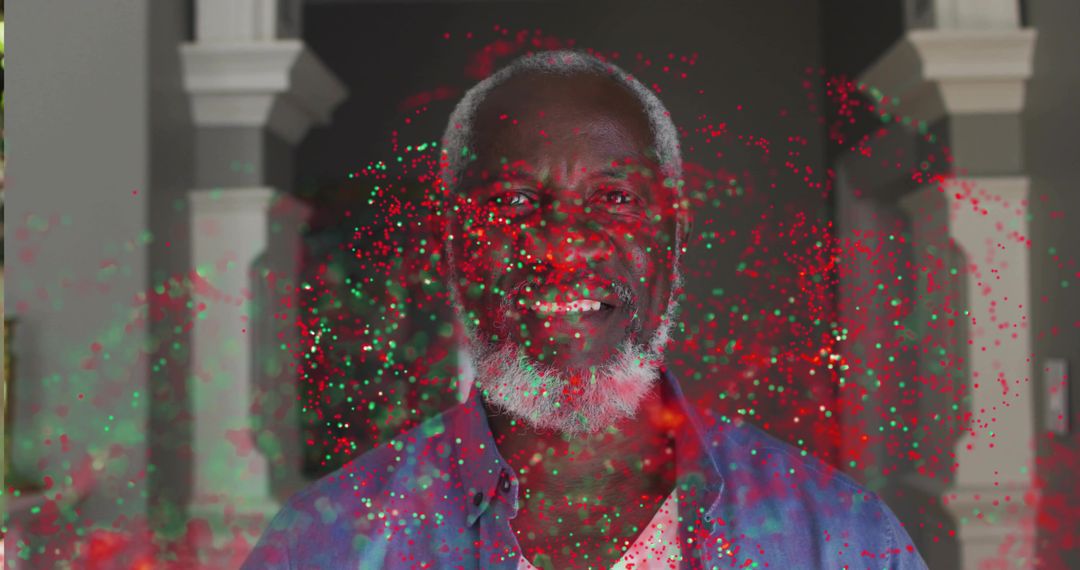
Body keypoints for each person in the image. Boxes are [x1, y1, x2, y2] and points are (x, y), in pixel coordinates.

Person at [242, 50, 928, 569]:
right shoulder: (325, 545)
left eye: (614, 198)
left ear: (674, 239)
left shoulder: (843, 542)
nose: (565, 248)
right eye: (512, 203)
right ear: (452, 247)